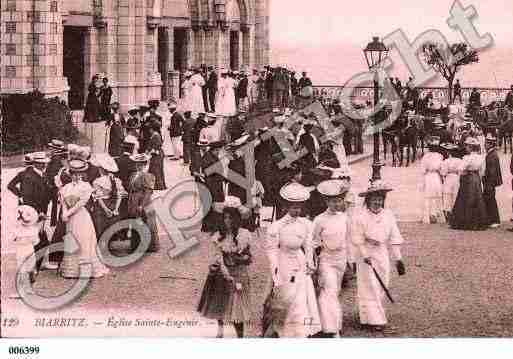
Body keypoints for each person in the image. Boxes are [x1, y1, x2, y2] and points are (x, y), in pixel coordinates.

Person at [264, 182, 321, 338]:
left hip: (300, 262)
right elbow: (271, 249)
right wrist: (274, 269)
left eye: (299, 207)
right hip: (284, 262)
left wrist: (310, 262)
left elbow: (308, 245)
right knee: (287, 295)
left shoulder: (305, 224)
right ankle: (285, 329)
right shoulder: (277, 226)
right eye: (293, 207)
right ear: (286, 207)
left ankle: (301, 330)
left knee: (302, 296)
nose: (296, 210)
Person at [351, 180, 406, 332]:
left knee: (383, 282)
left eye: (380, 199)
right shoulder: (360, 216)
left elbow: (394, 237)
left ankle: (366, 315)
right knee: (369, 285)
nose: (377, 202)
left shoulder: (388, 215)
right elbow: (357, 238)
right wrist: (364, 254)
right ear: (368, 200)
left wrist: (398, 259)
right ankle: (376, 319)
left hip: (381, 252)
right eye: (374, 199)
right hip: (366, 253)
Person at [197, 199, 253, 338]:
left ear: (237, 219)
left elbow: (249, 257)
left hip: (239, 272)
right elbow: (218, 256)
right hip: (223, 273)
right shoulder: (219, 236)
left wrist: (242, 258)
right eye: (225, 217)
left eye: (231, 217)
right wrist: (222, 269)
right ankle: (220, 332)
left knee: (237, 307)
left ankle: (240, 335)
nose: (227, 220)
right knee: (220, 303)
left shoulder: (243, 234)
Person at [59, 159, 110, 279]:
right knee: (72, 240)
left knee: (83, 240)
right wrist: (64, 213)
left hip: (81, 217)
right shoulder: (66, 187)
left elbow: (81, 203)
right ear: (70, 174)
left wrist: (68, 213)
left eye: (78, 174)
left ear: (81, 174)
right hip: (70, 219)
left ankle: (87, 269)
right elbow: (63, 202)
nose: (76, 176)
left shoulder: (86, 186)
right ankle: (72, 271)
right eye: (73, 174)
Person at [312, 180, 350, 338]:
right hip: (326, 259)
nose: (336, 204)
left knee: (336, 291)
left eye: (339, 201)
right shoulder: (319, 220)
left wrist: (350, 260)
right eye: (333, 201)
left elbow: (348, 238)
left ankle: (328, 322)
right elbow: (313, 241)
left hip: (341, 259)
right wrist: (314, 259)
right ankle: (331, 328)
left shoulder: (344, 218)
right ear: (326, 201)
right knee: (329, 289)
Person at [8, 152, 51, 272]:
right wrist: (37, 213)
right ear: (35, 164)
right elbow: (27, 197)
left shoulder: (40, 174)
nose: (44, 166)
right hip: (32, 212)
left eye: (44, 164)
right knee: (35, 238)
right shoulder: (28, 176)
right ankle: (34, 266)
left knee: (40, 237)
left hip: (37, 210)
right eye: (42, 164)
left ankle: (37, 264)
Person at [450, 137, 488, 230]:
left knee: (466, 198)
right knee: (477, 198)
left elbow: (460, 168)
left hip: (468, 178)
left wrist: (464, 172)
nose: (466, 148)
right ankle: (479, 221)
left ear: (470, 147)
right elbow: (482, 171)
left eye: (467, 146)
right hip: (477, 178)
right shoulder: (481, 158)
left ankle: (465, 221)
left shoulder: (467, 158)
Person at [127, 154, 159, 253]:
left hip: (143, 201)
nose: (138, 166)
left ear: (145, 165)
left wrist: (142, 204)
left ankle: (149, 245)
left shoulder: (148, 176)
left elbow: (148, 192)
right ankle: (136, 245)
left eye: (141, 164)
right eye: (137, 164)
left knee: (146, 222)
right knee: (136, 222)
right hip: (134, 201)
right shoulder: (133, 175)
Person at [91, 154, 127, 241]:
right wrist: (116, 209)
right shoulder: (116, 180)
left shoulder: (98, 181)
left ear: (101, 169)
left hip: (103, 205)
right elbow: (119, 196)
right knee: (111, 226)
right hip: (113, 204)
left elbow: (98, 198)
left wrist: (106, 210)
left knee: (101, 226)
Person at [13, 205, 43, 292]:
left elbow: (14, 240)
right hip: (30, 250)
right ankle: (28, 287)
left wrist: (19, 239)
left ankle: (22, 289)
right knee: (29, 268)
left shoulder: (17, 230)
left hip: (21, 250)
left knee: (22, 269)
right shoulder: (33, 230)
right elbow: (36, 241)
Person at [420, 138, 445, 224]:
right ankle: (437, 216)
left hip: (428, 176)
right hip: (436, 176)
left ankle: (427, 217)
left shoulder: (425, 156)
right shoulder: (440, 156)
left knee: (428, 197)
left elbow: (423, 170)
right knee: (437, 196)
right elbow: (442, 169)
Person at [482, 134, 503, 228]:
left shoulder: (492, 155)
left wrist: (488, 180)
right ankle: (492, 219)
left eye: (486, 144)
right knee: (490, 199)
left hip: (490, 181)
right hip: (490, 181)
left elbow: (492, 171)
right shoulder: (492, 154)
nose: (484, 145)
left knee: (490, 199)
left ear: (490, 144)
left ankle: (494, 220)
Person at [440, 143, 463, 222]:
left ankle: (448, 213)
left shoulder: (446, 161)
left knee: (447, 195)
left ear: (449, 153)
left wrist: (443, 178)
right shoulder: (460, 161)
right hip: (456, 178)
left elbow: (443, 172)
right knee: (455, 194)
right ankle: (456, 212)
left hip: (449, 178)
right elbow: (461, 171)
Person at [146, 120, 167, 191]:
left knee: (156, 170)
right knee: (156, 169)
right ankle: (158, 185)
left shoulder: (155, 136)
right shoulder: (156, 135)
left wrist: (148, 152)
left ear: (152, 129)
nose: (149, 131)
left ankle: (159, 186)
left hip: (157, 154)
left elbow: (156, 147)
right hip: (157, 154)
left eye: (150, 129)